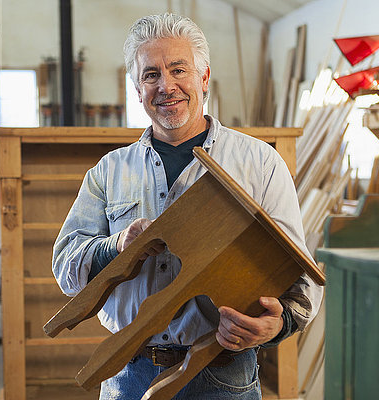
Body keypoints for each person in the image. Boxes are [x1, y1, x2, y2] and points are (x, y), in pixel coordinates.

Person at [52, 13, 323, 400]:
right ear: (136, 87)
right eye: (150, 75)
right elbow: (66, 268)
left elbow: (302, 278)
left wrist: (275, 327)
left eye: (179, 69)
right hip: (128, 373)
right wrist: (116, 247)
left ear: (204, 78)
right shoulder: (109, 171)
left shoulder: (258, 163)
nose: (166, 86)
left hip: (224, 373)